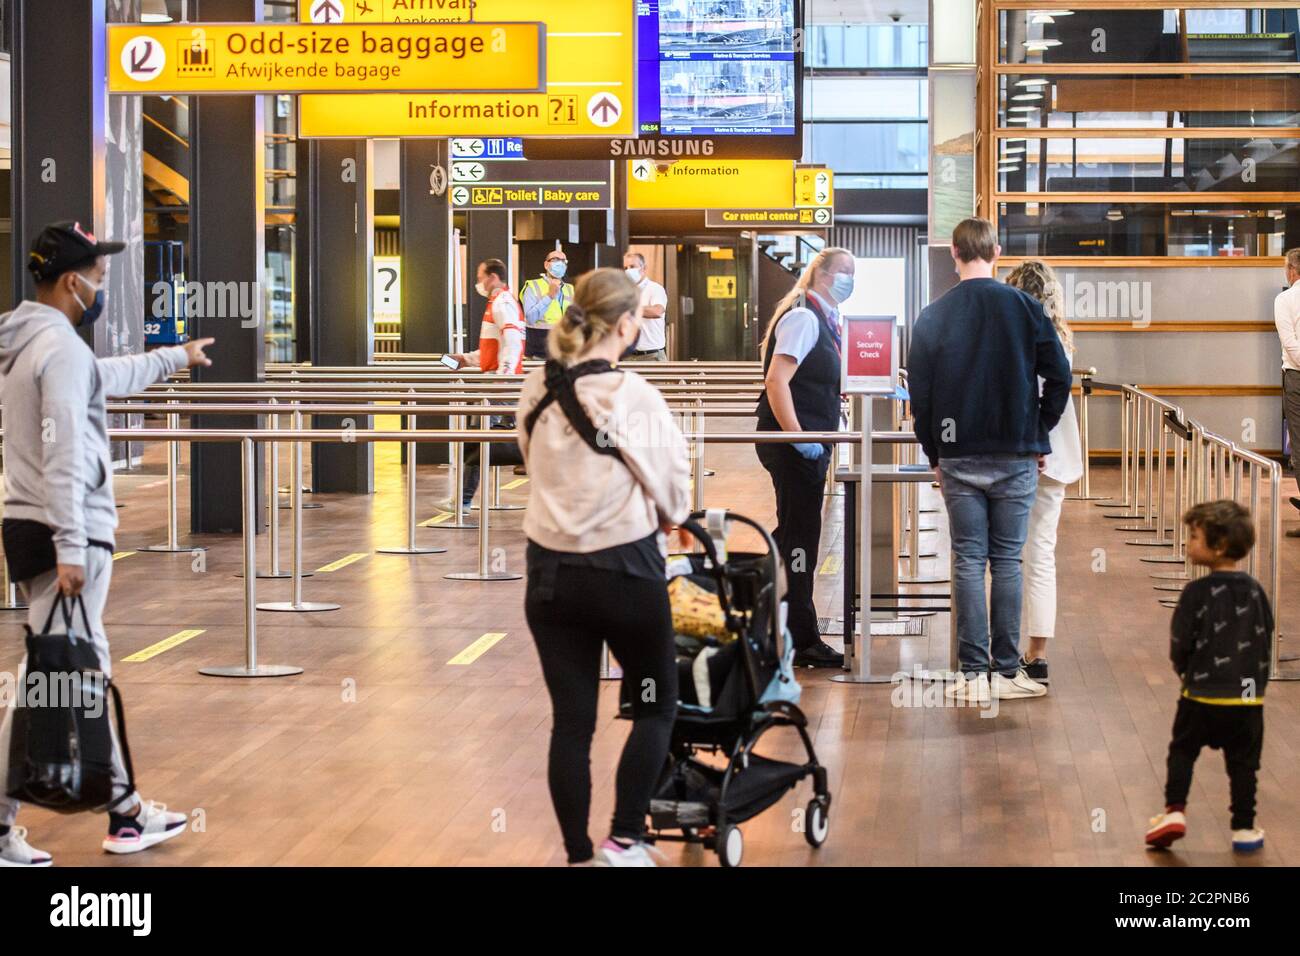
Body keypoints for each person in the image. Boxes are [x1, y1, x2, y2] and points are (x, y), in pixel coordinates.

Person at [0, 221, 214, 866]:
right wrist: (71, 545)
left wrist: (175, 357)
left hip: (31, 521)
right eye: (97, 276)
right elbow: (65, 450)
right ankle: (117, 813)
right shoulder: (57, 349)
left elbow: (104, 375)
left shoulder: (29, 340)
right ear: (71, 281)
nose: (100, 287)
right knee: (60, 677)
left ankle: (124, 811)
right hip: (68, 531)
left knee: (66, 673)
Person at [517, 267, 690, 866]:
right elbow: (674, 491)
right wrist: (671, 515)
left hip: (550, 578)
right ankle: (626, 838)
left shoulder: (537, 386)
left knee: (572, 723)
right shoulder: (634, 393)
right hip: (625, 574)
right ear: (625, 324)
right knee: (655, 703)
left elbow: (529, 457)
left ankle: (577, 853)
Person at [906, 217, 1071, 702]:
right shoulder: (1025, 308)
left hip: (959, 455)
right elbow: (1059, 376)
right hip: (1016, 453)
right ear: (996, 252)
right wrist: (1039, 433)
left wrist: (935, 452)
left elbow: (922, 397)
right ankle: (1006, 668)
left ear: (954, 253)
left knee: (968, 561)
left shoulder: (933, 315)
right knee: (1007, 561)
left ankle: (972, 673)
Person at [1145, 500, 1271, 853]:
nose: (1188, 543)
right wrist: (1256, 687)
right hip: (1247, 698)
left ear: (1217, 546)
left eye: (1194, 537)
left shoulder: (1195, 593)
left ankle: (1174, 811)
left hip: (1200, 694)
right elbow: (1265, 638)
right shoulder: (1256, 590)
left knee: (1183, 750)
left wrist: (1186, 673)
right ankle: (1244, 827)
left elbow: (1180, 643)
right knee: (1244, 763)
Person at [754, 246, 855, 668]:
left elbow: (809, 376)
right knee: (801, 540)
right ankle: (801, 639)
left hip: (805, 441)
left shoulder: (821, 319)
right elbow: (777, 381)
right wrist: (798, 437)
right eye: (844, 273)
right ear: (823, 275)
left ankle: (750, 599)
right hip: (793, 445)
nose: (850, 281)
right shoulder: (802, 317)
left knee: (793, 533)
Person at [1005, 260, 1083, 686]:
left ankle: (1003, 649)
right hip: (1055, 457)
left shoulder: (1018, 334)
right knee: (1041, 556)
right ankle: (1037, 654)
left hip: (1023, 450)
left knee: (1005, 557)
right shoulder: (1063, 337)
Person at [440, 258, 525, 512]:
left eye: (480, 276)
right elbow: (496, 345)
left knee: (477, 441)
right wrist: (466, 359)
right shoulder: (497, 303)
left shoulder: (502, 303)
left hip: (498, 383)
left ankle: (462, 501)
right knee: (480, 441)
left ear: (493, 277)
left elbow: (512, 341)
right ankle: (462, 499)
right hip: (496, 378)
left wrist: (504, 376)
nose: (478, 282)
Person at [1273, 247, 1300, 535]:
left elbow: (1289, 342)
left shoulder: (1285, 299)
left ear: (1291, 271)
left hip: (1296, 377)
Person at [520, 247, 574, 360]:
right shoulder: (533, 286)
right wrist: (549, 296)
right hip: (539, 352)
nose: (560, 263)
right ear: (546, 265)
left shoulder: (570, 289)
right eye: (555, 259)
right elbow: (530, 318)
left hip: (562, 350)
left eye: (563, 261)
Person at [623, 252, 668, 361]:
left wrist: (629, 308)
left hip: (652, 355)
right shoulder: (623, 290)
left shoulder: (655, 289)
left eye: (632, 267)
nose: (628, 270)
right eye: (625, 267)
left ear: (644, 268)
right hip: (628, 355)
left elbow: (657, 311)